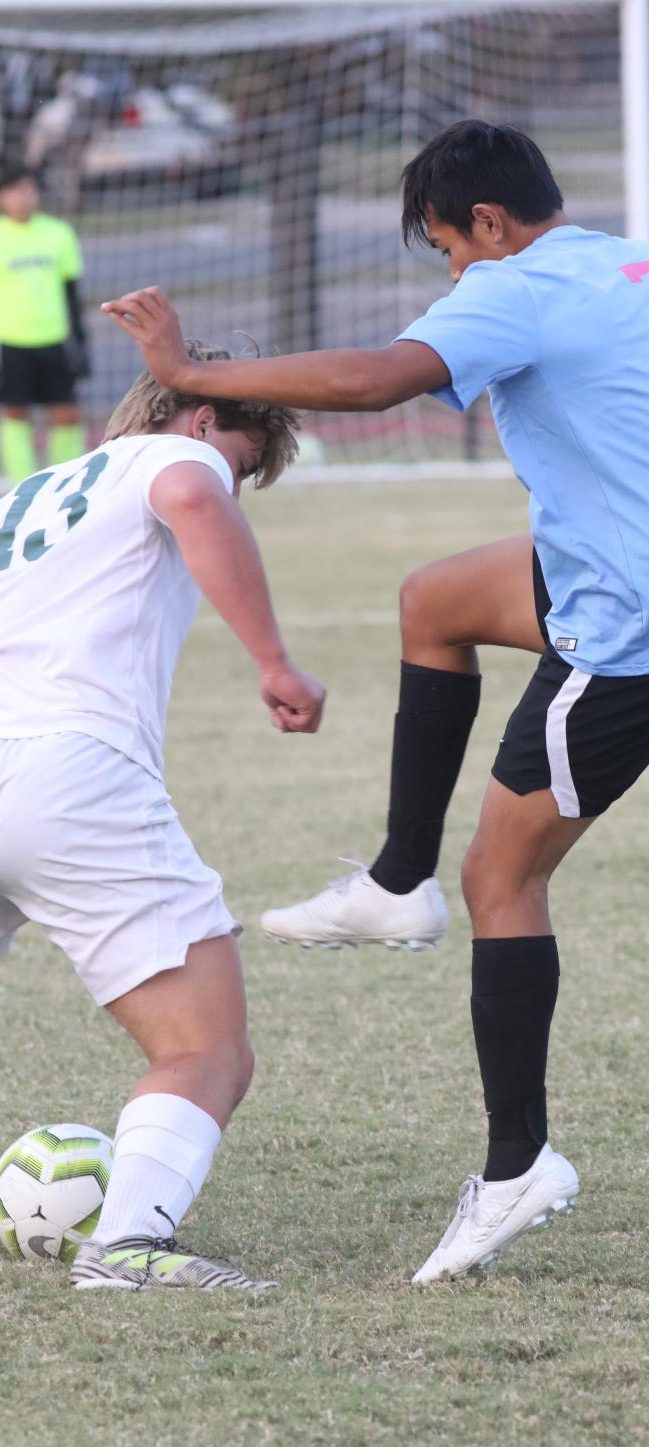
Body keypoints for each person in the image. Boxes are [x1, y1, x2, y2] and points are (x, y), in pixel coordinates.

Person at [101, 120, 649, 1287]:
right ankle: (394, 885)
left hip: (636, 626)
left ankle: (517, 1165)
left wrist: (191, 376)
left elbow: (377, 379)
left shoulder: (514, 287)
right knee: (433, 600)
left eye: (446, 249)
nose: (450, 278)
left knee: (506, 880)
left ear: (488, 225)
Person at [0, 342, 325, 1291]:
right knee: (203, 1045)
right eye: (241, 459)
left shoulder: (27, 492)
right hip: (68, 770)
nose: (231, 482)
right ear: (197, 417)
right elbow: (190, 495)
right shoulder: (171, 460)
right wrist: (273, 660)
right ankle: (131, 1245)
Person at [0, 162, 90, 485]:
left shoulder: (58, 233)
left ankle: (68, 482)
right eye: (15, 190)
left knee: (66, 415)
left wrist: (81, 343)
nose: (24, 197)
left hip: (53, 341)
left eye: (30, 189)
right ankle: (23, 487)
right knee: (15, 415)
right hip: (10, 343)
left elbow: (73, 297)